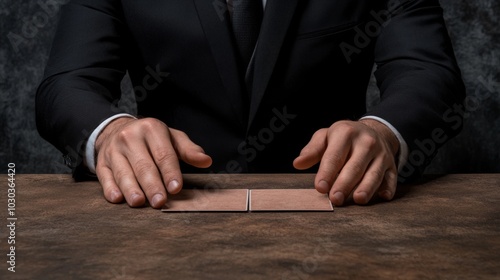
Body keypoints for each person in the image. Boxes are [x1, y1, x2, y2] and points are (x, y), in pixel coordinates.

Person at [36, 0, 465, 209]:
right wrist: (109, 131)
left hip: (340, 211)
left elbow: (427, 72)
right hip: (163, 213)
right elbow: (68, 83)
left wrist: (382, 131)